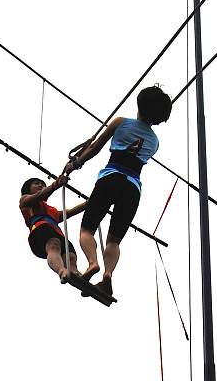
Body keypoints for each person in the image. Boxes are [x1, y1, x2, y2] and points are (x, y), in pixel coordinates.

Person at [63, 85, 173, 297]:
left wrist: (75, 163)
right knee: (114, 240)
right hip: (132, 187)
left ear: (139, 106)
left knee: (86, 229)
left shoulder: (120, 123)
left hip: (110, 178)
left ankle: (92, 263)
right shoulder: (155, 142)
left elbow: (94, 148)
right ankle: (107, 275)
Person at [19, 176, 85, 283]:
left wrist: (87, 204)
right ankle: (61, 270)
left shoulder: (50, 211)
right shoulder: (25, 201)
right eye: (36, 183)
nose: (40, 185)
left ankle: (75, 273)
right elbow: (40, 196)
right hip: (40, 228)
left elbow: (69, 212)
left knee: (70, 256)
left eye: (43, 184)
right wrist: (55, 185)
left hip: (55, 231)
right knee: (53, 245)